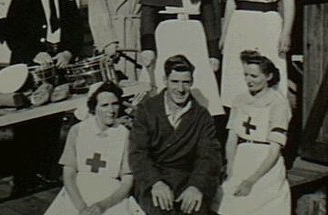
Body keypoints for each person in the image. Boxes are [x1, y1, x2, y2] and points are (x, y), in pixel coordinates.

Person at [5, 0, 82, 196]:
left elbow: (77, 35)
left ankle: (47, 174)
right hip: (30, 69)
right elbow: (12, 36)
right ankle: (23, 181)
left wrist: (68, 53)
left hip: (58, 68)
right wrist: (34, 53)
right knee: (27, 124)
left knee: (52, 123)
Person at [139, 0, 224, 117]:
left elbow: (210, 18)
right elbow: (147, 17)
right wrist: (148, 47)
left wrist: (213, 53)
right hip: (166, 36)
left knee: (199, 83)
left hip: (195, 35)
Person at [129, 55, 222, 215]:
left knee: (196, 211)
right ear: (165, 80)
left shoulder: (201, 115)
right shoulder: (147, 109)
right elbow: (138, 154)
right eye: (175, 82)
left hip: (188, 179)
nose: (180, 89)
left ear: (192, 82)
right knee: (160, 210)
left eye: (185, 82)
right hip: (155, 178)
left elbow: (209, 156)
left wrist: (196, 186)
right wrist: (155, 182)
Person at [213, 50, 292, 215]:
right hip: (242, 158)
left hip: (265, 163)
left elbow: (274, 149)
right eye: (246, 75)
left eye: (254, 76)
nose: (248, 80)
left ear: (268, 77)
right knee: (230, 203)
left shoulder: (278, 103)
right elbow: (232, 137)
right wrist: (231, 168)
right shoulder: (240, 100)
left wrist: (251, 180)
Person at [45, 81, 141, 215]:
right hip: (78, 191)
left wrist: (102, 206)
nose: (111, 110)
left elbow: (127, 180)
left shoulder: (124, 134)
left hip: (111, 194)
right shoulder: (77, 131)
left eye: (115, 104)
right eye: (104, 105)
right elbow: (69, 173)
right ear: (93, 107)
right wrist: (81, 208)